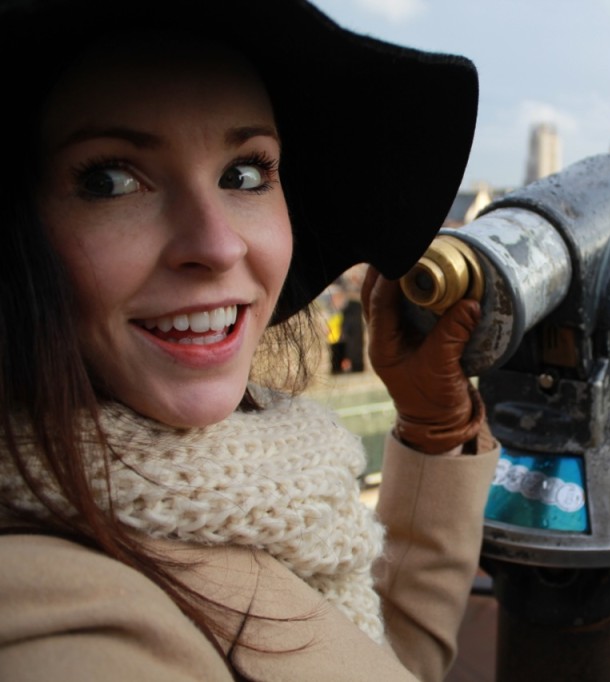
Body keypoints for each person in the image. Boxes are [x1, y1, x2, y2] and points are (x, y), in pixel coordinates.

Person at [0, 1, 498, 681]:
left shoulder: (234, 494)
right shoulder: (51, 616)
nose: (216, 243)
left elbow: (370, 661)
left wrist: (434, 428)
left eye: (244, 174)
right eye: (109, 180)